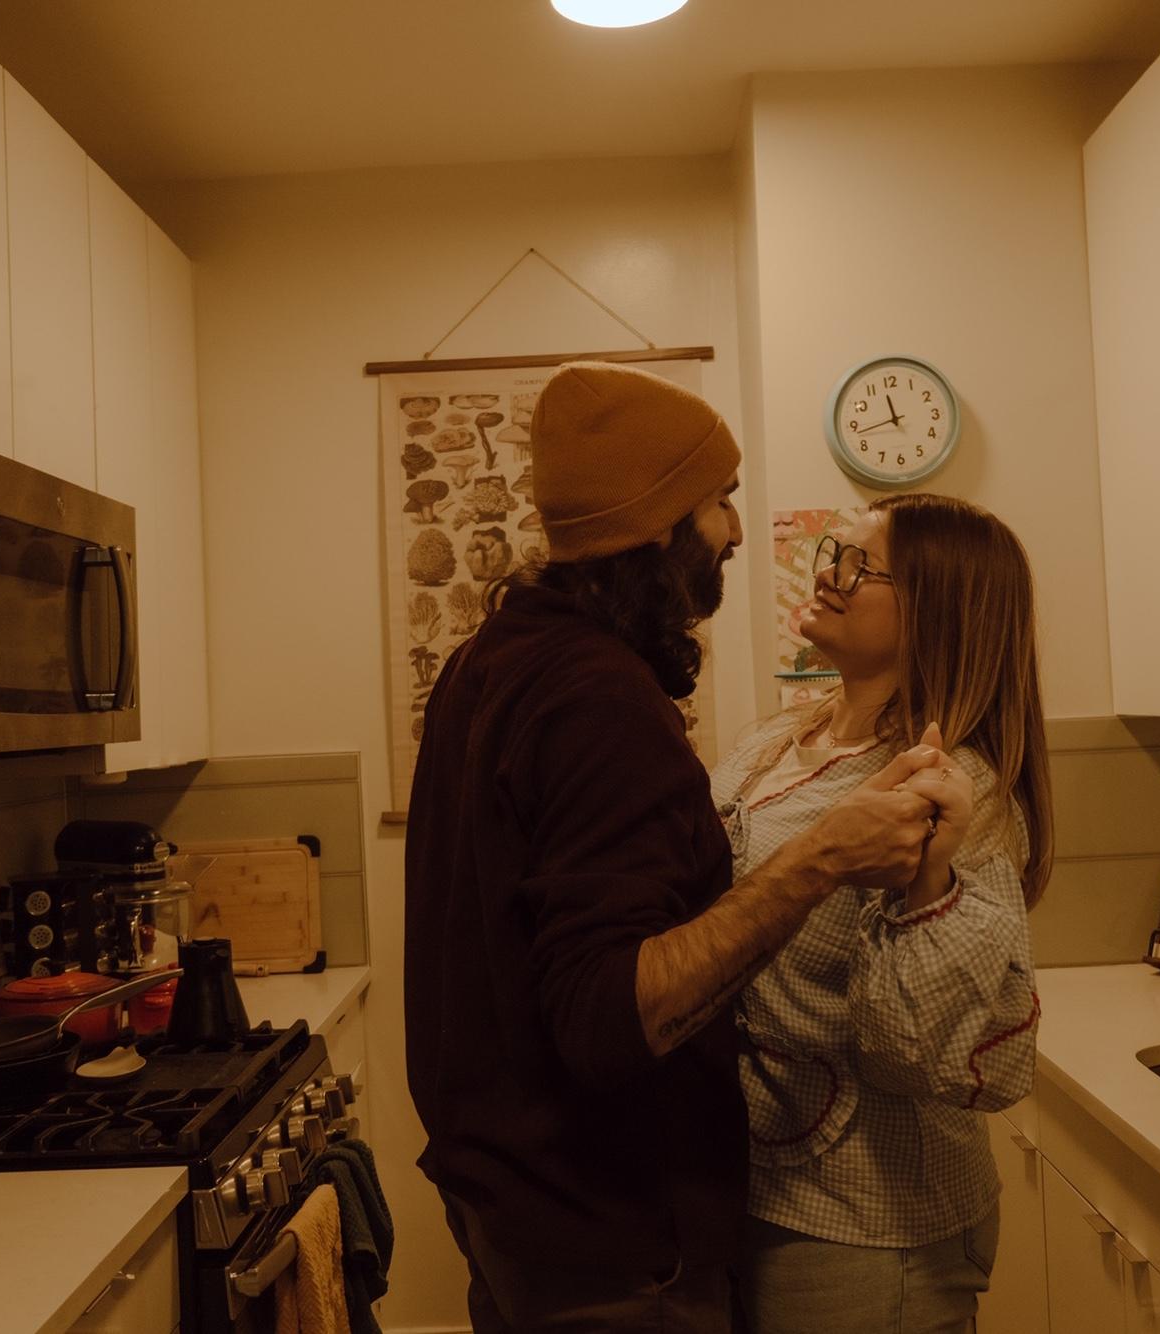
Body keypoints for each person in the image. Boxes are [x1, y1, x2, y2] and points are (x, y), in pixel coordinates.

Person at [404, 362, 958, 1334]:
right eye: (720, 500)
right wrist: (822, 857)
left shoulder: (486, 661)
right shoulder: (598, 698)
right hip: (612, 1252)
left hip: (511, 1217)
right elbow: (610, 1017)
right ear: (658, 522)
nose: (736, 531)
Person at [708, 493, 1053, 1334]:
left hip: (867, 1222)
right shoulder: (776, 741)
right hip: (757, 1182)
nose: (830, 574)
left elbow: (920, 1050)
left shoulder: (950, 790)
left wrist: (930, 885)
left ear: (937, 608)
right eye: (836, 552)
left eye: (863, 566)